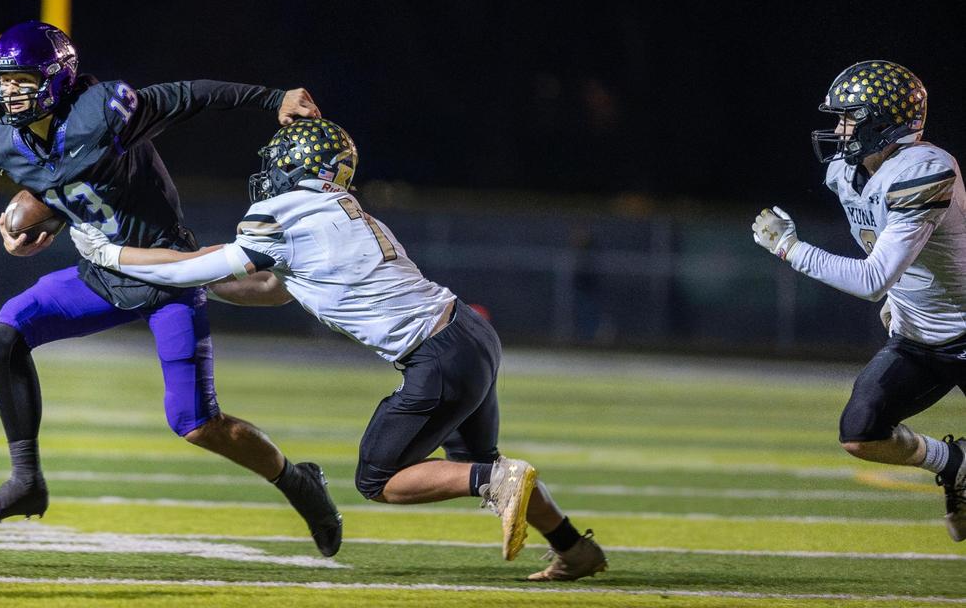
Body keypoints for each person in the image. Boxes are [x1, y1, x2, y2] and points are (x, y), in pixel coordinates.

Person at [70, 118, 608, 581]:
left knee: (379, 479)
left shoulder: (283, 212)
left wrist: (113, 255)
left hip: (437, 354)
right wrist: (203, 282)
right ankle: (573, 549)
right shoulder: (338, 210)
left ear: (296, 164)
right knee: (475, 461)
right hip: (469, 334)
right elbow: (273, 288)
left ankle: (493, 483)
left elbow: (195, 268)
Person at [0, 20, 343, 557]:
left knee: (196, 424)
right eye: (3, 81)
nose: (9, 92)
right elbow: (65, 185)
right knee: (5, 333)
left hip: (168, 276)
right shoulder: (5, 143)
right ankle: (26, 479)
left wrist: (271, 98)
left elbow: (190, 96)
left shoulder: (104, 110)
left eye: (22, 80)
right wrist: (29, 228)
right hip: (101, 276)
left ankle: (299, 482)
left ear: (56, 78)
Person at [752, 60, 966, 541]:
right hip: (918, 334)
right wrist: (898, 297)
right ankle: (956, 462)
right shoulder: (845, 173)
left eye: (849, 117)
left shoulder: (925, 170)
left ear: (883, 122)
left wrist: (790, 249)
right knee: (861, 432)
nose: (839, 129)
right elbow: (885, 250)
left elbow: (872, 277)